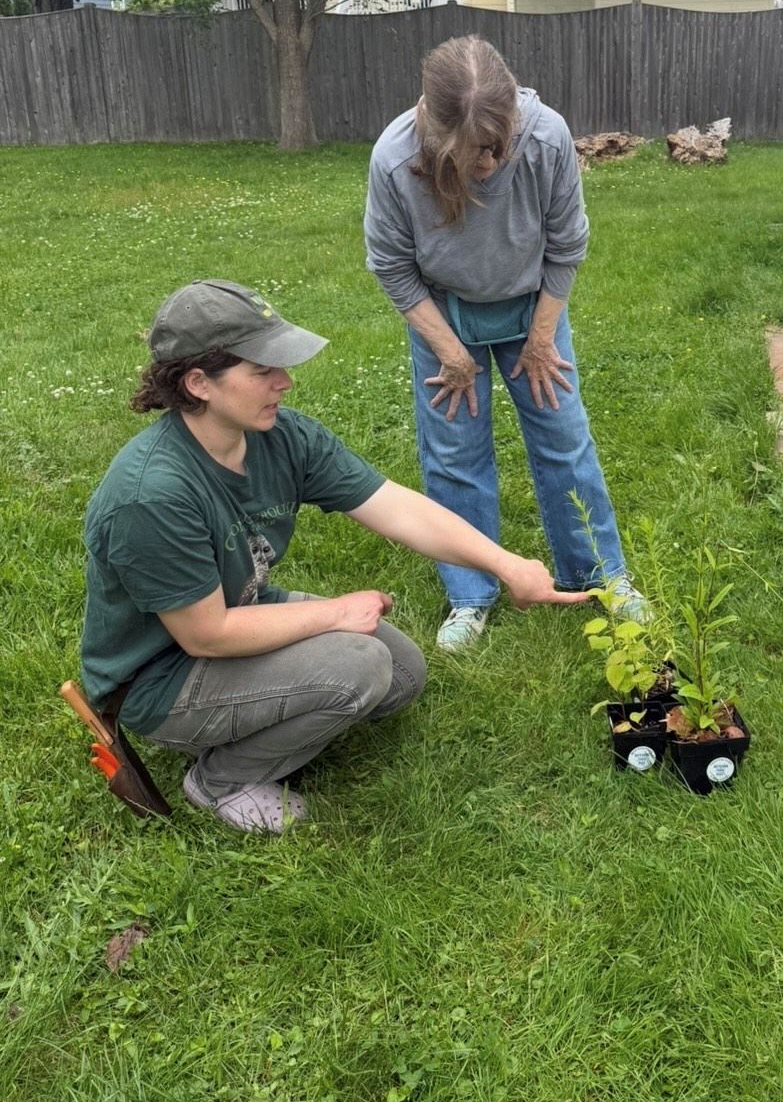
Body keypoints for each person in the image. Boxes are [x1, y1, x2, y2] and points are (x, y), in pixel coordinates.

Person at [80, 278, 587, 834]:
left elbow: (397, 508)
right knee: (360, 667)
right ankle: (220, 780)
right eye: (262, 371)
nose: (285, 382)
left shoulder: (282, 437)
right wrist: (336, 614)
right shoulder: (152, 493)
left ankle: (267, 720)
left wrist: (507, 565)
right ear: (199, 383)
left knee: (400, 674)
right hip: (160, 677)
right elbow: (206, 635)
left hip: (236, 613)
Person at [365, 35, 645, 652]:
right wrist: (449, 349)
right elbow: (391, 266)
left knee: (565, 441)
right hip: (443, 313)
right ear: (436, 132)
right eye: (472, 153)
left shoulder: (546, 140)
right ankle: (471, 595)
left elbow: (567, 245)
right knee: (455, 452)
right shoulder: (394, 159)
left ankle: (601, 574)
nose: (487, 164)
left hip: (532, 307)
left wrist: (541, 339)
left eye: (498, 146)